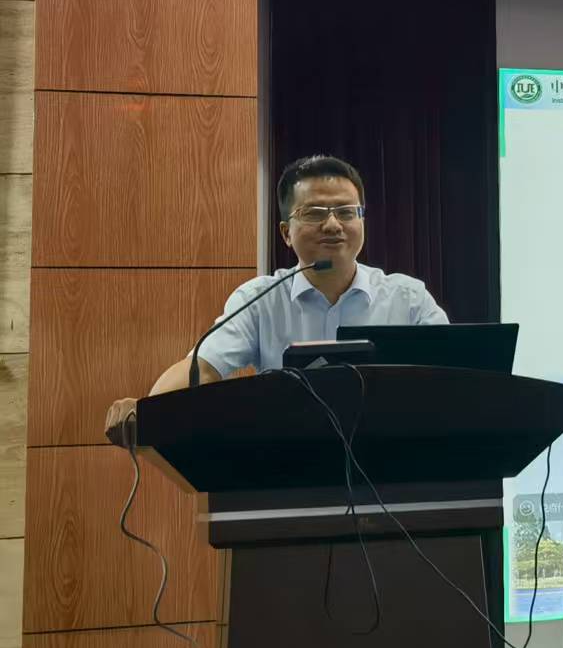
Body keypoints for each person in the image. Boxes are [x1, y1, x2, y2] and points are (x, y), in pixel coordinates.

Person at [103, 154, 447, 444]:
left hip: (393, 466)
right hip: (290, 468)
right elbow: (203, 369)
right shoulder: (260, 299)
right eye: (315, 213)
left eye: (346, 212)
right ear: (286, 233)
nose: (333, 225)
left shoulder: (408, 298)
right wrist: (145, 410)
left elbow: (454, 375)